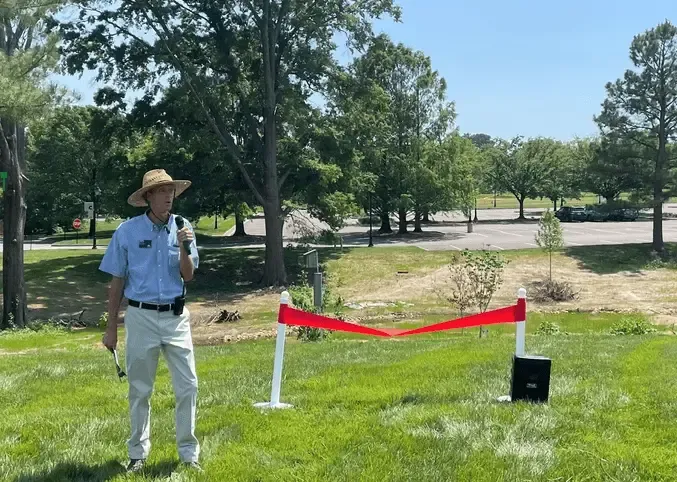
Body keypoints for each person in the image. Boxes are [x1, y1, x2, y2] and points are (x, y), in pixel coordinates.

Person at [100, 169, 201, 473]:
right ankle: (137, 454)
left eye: (171, 190)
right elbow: (117, 281)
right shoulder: (127, 232)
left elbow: (188, 274)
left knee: (188, 385)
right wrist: (110, 328)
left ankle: (188, 454)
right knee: (140, 388)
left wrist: (185, 247)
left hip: (176, 317)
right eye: (160, 191)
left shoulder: (184, 228)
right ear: (147, 197)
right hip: (141, 316)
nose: (168, 195)